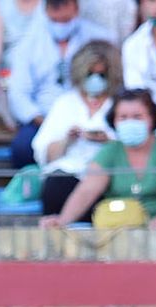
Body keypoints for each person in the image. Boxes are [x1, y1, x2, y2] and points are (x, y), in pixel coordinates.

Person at [40, 87, 156, 226]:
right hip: (119, 229)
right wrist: (62, 220)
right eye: (123, 117)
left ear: (152, 118)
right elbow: (87, 191)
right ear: (114, 121)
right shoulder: (110, 151)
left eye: (137, 117)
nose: (130, 122)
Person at [5, 0, 112, 167]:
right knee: (22, 148)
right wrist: (45, 121)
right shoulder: (28, 43)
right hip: (41, 117)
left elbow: (111, 80)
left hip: (91, 110)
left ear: (76, 9)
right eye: (56, 20)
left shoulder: (100, 38)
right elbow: (18, 93)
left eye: (65, 20)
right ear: (46, 11)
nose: (61, 25)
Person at [31, 39, 119, 214]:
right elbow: (43, 152)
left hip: (108, 175)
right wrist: (68, 140)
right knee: (56, 186)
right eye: (90, 74)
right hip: (67, 174)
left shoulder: (120, 103)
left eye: (101, 74)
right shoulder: (65, 103)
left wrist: (107, 141)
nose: (95, 79)